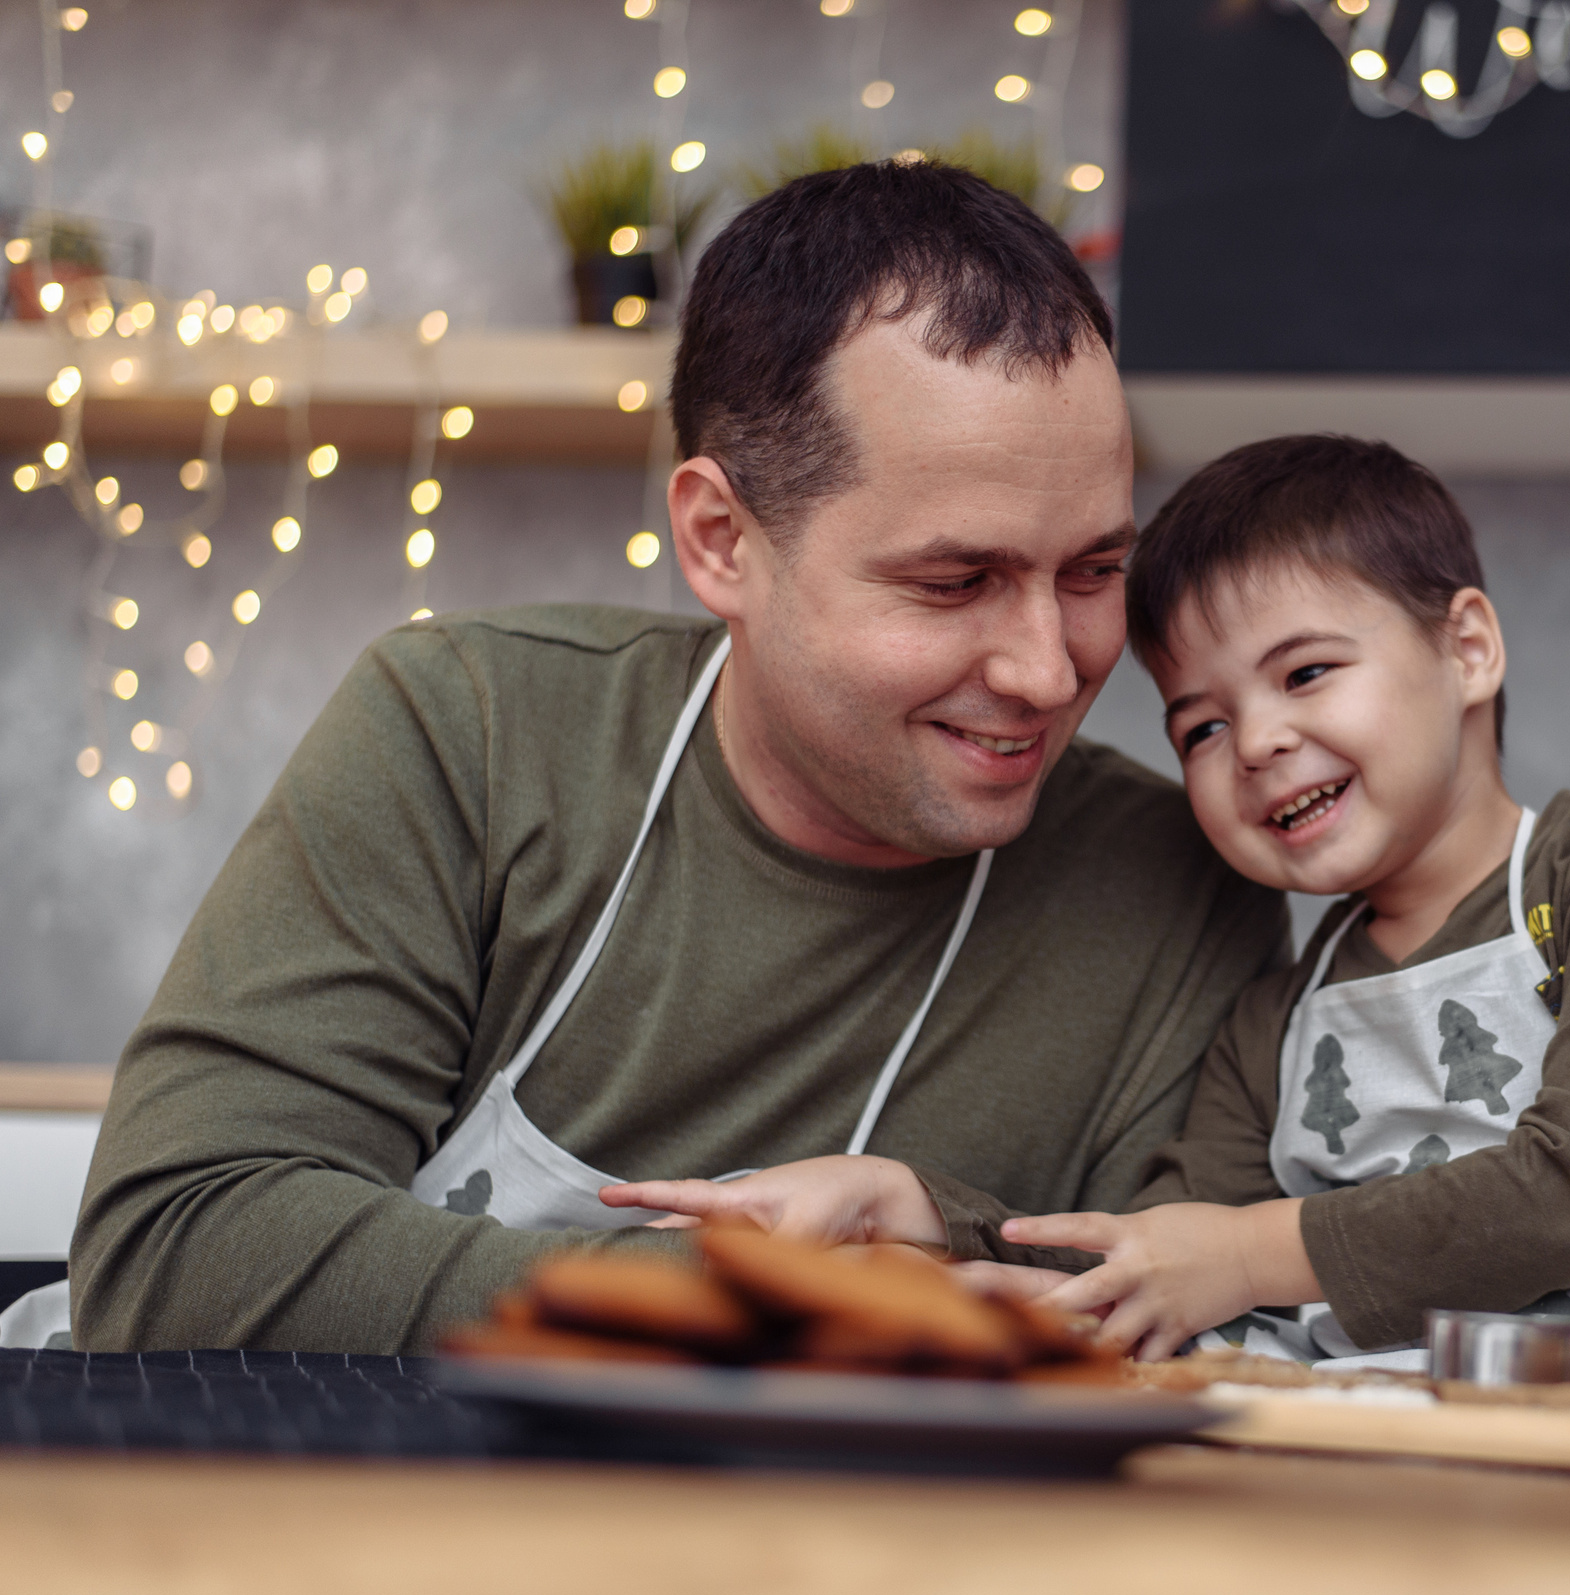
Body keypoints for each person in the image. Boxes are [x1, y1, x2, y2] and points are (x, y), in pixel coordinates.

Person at [31, 163, 1286, 1355]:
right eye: (954, 581)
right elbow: (179, 1248)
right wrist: (767, 1299)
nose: (1047, 668)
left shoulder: (1181, 884)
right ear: (721, 538)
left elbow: (1187, 1332)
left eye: (1093, 572)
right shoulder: (468, 725)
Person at [608, 435, 1570, 1362]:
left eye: (1306, 672)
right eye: (1203, 724)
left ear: (1468, 650)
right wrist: (915, 1210)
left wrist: (1243, 1252)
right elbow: (1164, 1258)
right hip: (1394, 1476)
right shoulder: (1272, 1025)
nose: (1260, 742)